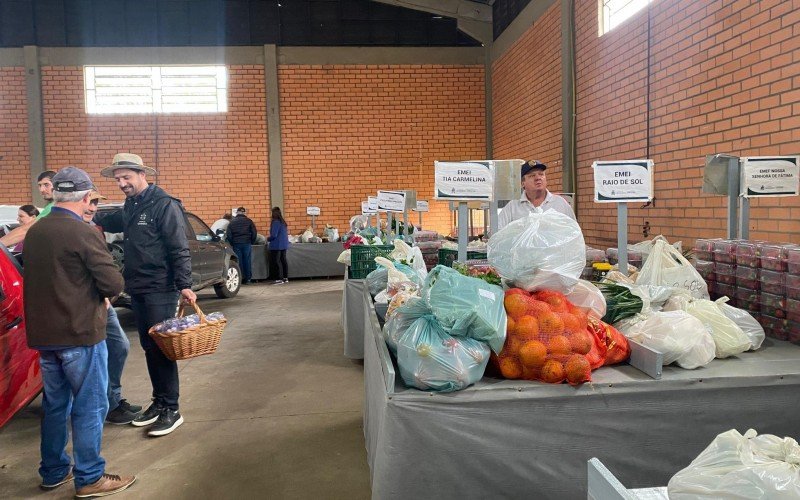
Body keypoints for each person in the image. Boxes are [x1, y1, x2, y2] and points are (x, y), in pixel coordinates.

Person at [23, 166, 135, 497]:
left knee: (56, 405)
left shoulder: (36, 231)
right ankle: (89, 477)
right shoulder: (83, 232)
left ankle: (55, 470)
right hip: (80, 334)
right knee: (90, 405)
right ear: (87, 197)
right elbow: (113, 282)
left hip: (45, 337)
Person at [100, 153, 196, 437]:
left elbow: (178, 246)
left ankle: (172, 409)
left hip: (160, 288)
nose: (121, 183)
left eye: (126, 177)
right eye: (118, 179)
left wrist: (184, 284)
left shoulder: (164, 204)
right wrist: (86, 212)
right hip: (138, 286)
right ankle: (159, 401)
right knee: (149, 347)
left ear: (142, 174)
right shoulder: (131, 204)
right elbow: (114, 220)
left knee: (163, 349)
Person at [81, 190, 143, 425]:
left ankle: (112, 402)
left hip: (100, 300)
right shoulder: (69, 228)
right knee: (100, 352)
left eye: (95, 202)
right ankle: (106, 405)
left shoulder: (93, 227)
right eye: (88, 202)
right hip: (84, 304)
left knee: (118, 346)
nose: (92, 208)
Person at [497, 160, 576, 230]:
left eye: (541, 174)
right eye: (532, 175)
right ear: (522, 183)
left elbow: (574, 232)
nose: (538, 178)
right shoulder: (512, 207)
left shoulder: (560, 204)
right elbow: (497, 233)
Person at [0, 170, 56, 248]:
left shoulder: (54, 207)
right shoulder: (53, 205)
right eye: (39, 185)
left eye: (46, 185)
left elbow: (26, 230)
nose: (41, 190)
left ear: (57, 185)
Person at [226, 207, 257, 285]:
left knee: (238, 261)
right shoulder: (249, 221)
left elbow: (229, 234)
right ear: (244, 213)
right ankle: (248, 279)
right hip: (247, 243)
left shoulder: (232, 222)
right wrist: (251, 241)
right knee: (247, 260)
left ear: (237, 213)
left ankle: (240, 279)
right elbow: (254, 233)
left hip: (236, 244)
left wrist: (232, 243)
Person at [268, 207, 290, 284]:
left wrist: (268, 239)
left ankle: (278, 278)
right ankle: (285, 277)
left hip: (276, 245)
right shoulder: (283, 222)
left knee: (276, 262)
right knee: (283, 260)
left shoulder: (275, 222)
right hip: (284, 244)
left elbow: (274, 235)